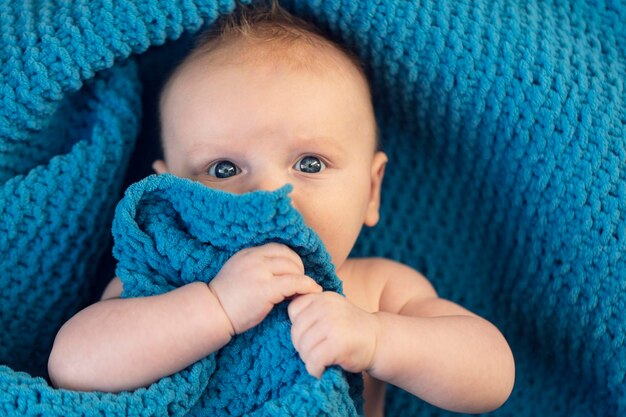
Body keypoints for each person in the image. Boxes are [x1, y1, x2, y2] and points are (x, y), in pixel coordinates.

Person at [48, 2, 515, 416]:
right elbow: (73, 367)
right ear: (171, 190)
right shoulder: (164, 282)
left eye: (310, 163)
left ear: (371, 191)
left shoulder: (378, 290)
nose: (268, 193)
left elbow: (492, 374)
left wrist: (377, 339)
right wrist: (214, 309)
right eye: (223, 168)